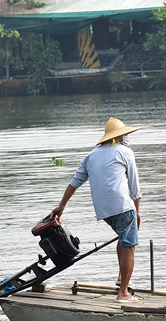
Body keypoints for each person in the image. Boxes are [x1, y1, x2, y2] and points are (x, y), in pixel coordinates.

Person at [51, 118, 143, 301]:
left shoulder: (91, 156)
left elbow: (74, 183)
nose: (126, 137)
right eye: (124, 134)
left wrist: (61, 206)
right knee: (130, 247)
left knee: (123, 237)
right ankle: (123, 293)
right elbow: (135, 187)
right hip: (123, 206)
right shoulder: (125, 152)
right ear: (118, 137)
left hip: (105, 210)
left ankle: (120, 278)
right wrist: (138, 212)